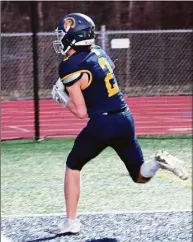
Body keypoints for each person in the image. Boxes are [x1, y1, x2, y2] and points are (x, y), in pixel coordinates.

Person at [51, 13, 188, 235]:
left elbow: (80, 111)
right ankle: (156, 161)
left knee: (73, 164)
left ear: (73, 37)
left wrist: (62, 98)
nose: (60, 39)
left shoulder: (69, 66)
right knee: (139, 175)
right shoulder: (100, 53)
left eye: (63, 34)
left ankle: (71, 222)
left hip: (102, 123)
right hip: (124, 117)